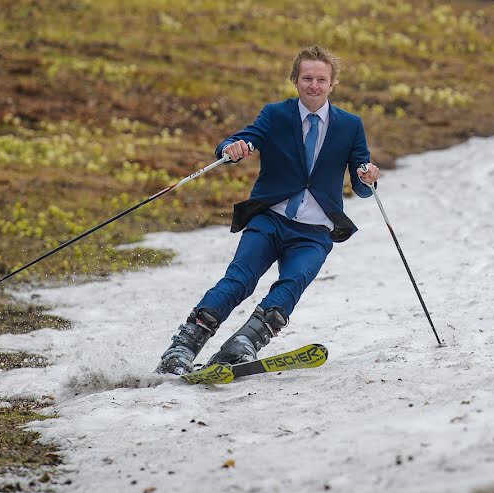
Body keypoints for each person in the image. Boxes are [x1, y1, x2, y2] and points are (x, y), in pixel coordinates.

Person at [156, 45, 381, 375]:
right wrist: (231, 148)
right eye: (307, 78)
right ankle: (183, 346)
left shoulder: (349, 125)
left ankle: (243, 343)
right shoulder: (277, 115)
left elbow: (362, 185)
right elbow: (242, 139)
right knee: (238, 280)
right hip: (269, 220)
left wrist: (367, 176)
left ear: (332, 84)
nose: (314, 86)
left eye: (321, 79)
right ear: (295, 80)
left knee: (291, 284)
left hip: (314, 232)